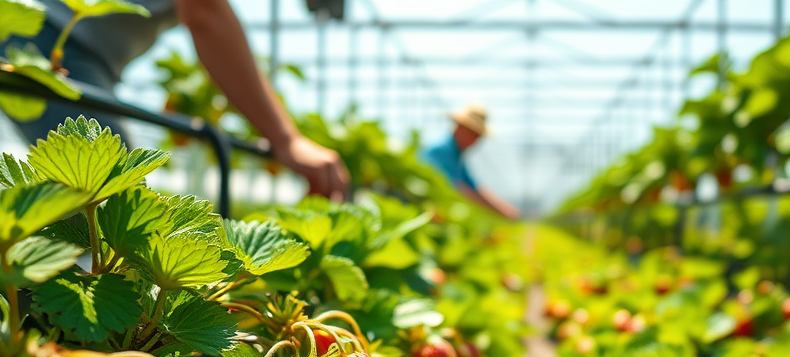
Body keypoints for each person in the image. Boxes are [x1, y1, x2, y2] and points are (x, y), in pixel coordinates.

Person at [9, 0, 349, 201]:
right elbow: (205, 12)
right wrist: (285, 139)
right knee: (114, 198)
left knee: (103, 200)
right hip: (40, 32)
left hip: (78, 51)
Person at [421, 104, 519, 219]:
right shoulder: (440, 151)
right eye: (473, 134)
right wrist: (499, 211)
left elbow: (474, 187)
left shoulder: (457, 156)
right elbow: (457, 188)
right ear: (459, 128)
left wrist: (504, 210)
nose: (475, 141)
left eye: (478, 137)